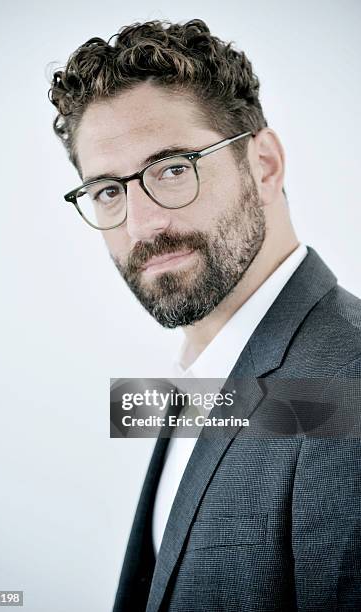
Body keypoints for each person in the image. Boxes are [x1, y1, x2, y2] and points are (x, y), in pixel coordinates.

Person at [48, 19, 361, 611]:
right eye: (109, 190)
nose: (143, 224)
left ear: (263, 163)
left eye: (172, 169)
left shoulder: (349, 388)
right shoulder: (199, 377)